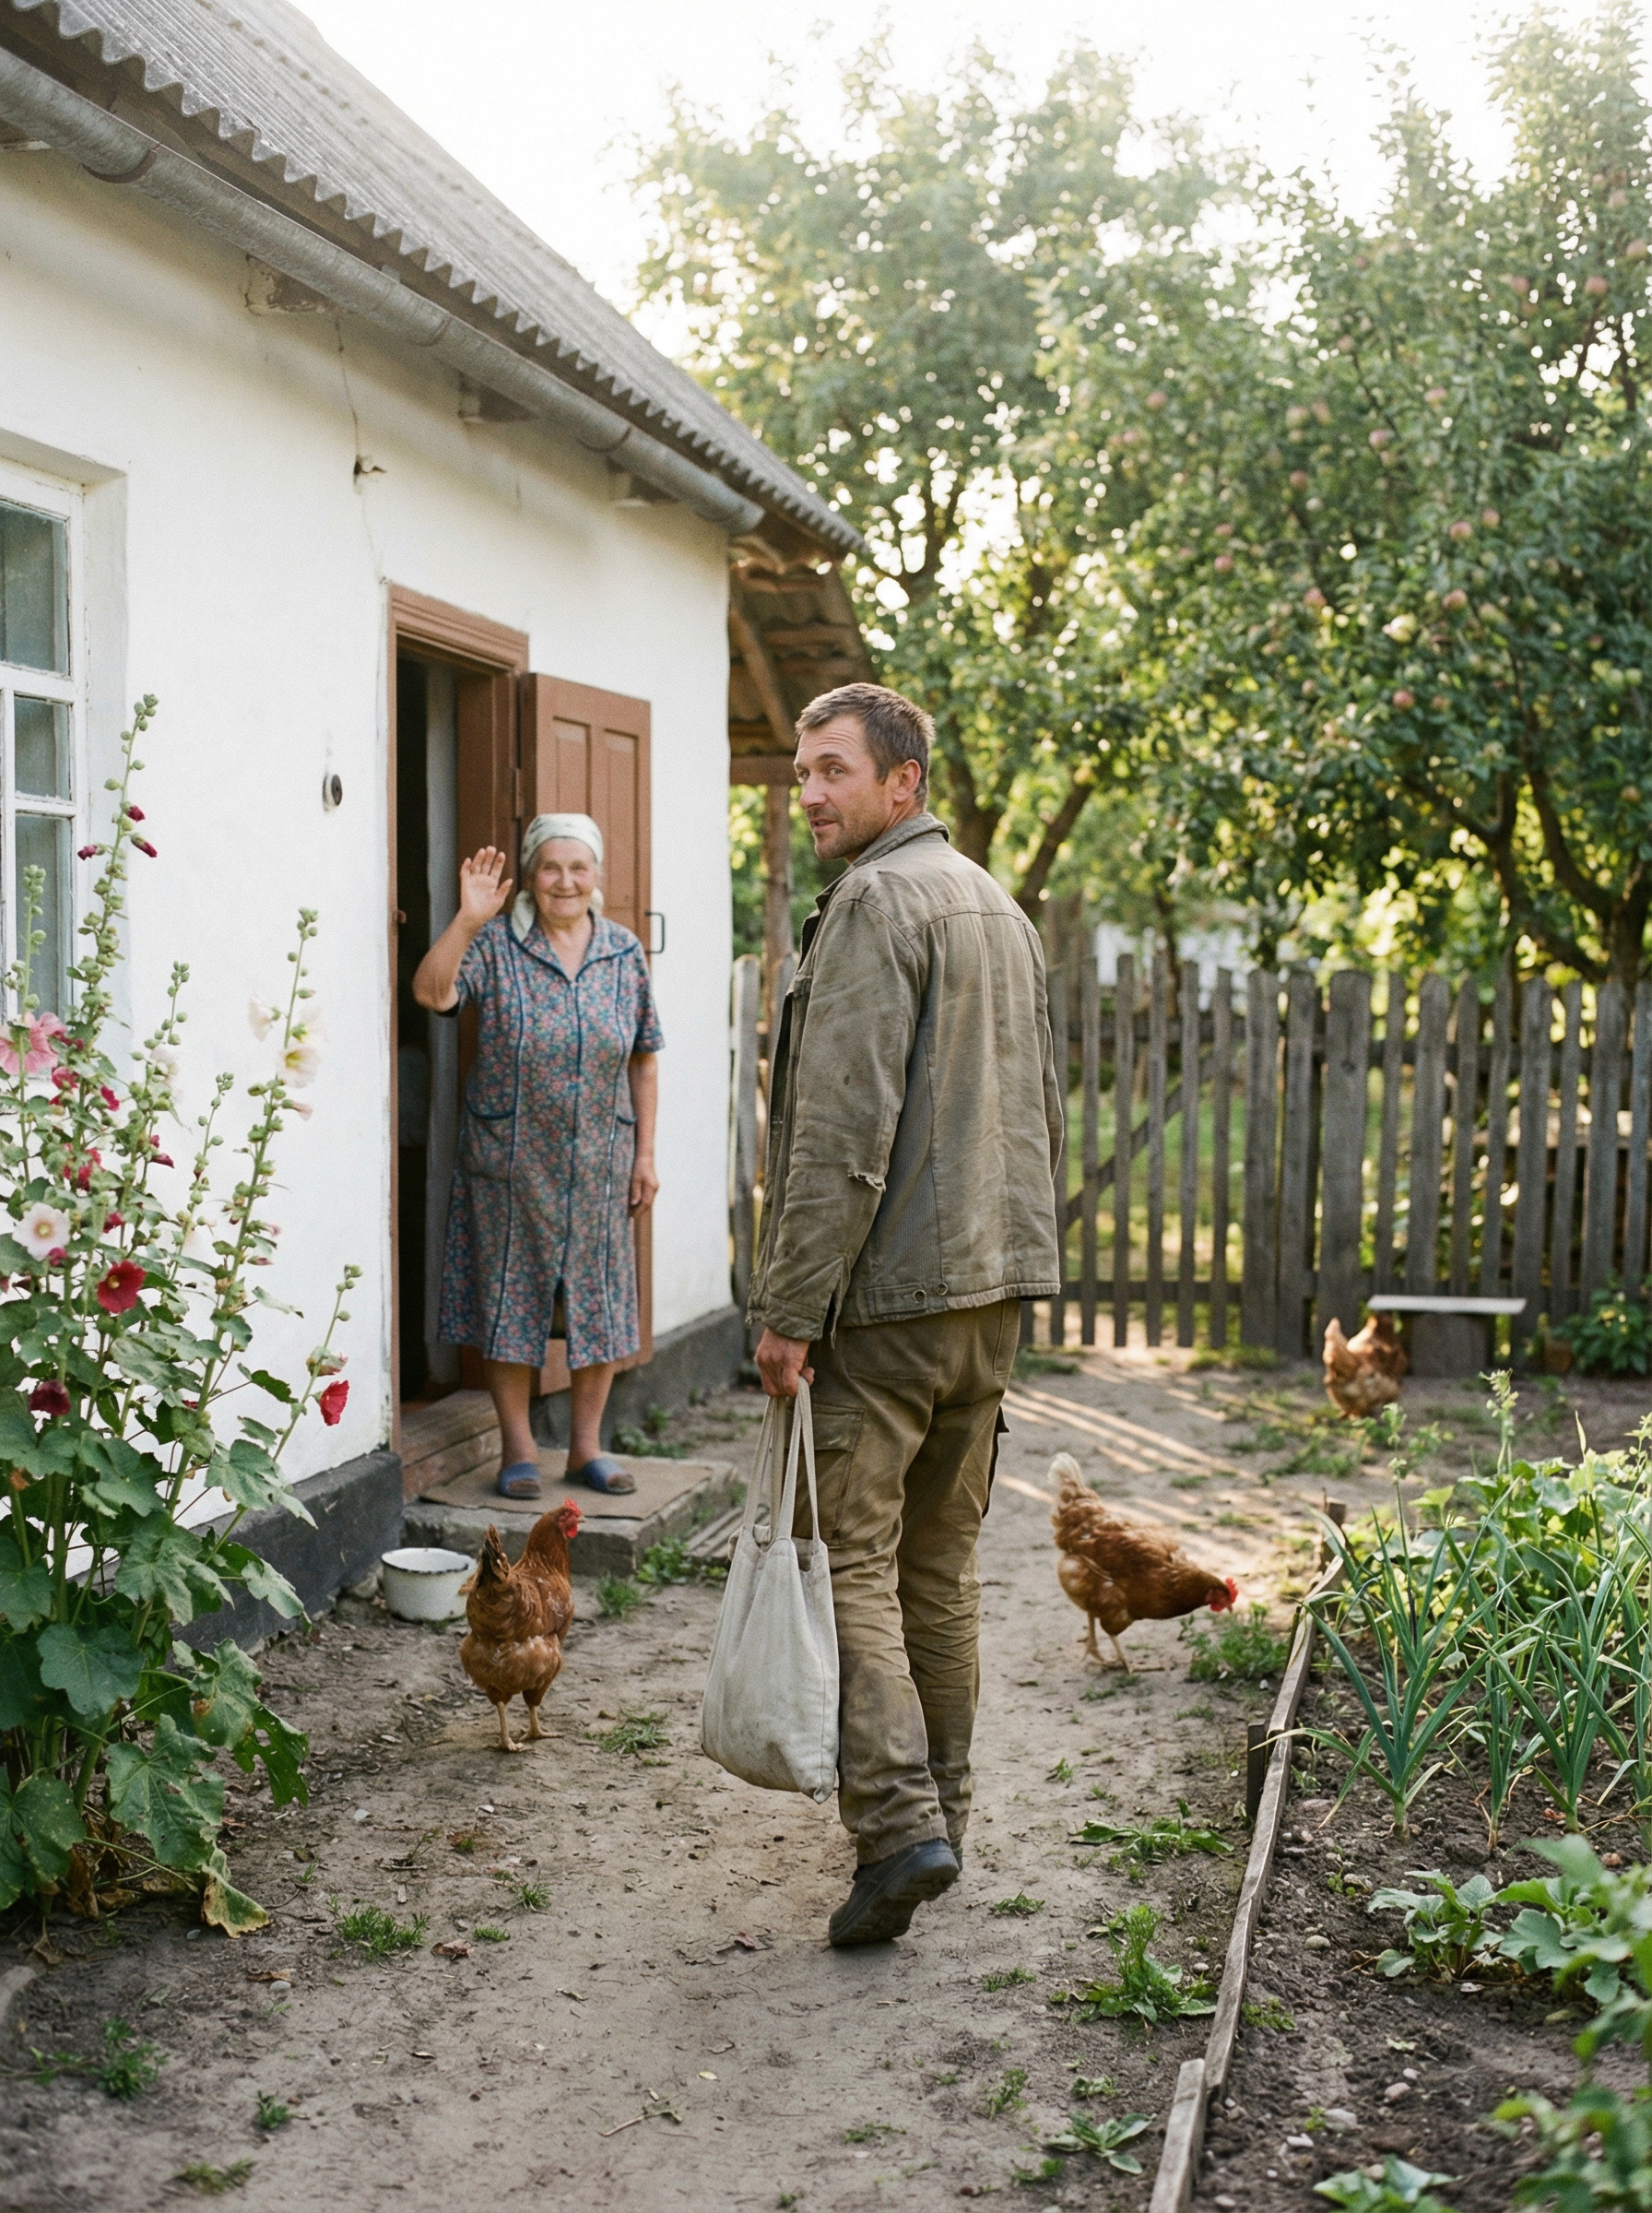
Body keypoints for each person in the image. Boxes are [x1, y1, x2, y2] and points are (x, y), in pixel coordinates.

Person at [748, 682, 1063, 1947]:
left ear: (903, 784)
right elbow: (1037, 1108)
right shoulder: (996, 904)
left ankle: (897, 1829)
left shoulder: (879, 903)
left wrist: (789, 1309)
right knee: (941, 1572)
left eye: (831, 771)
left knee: (861, 1564)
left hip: (885, 1303)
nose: (809, 795)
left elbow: (839, 1137)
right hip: (991, 1295)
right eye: (802, 775)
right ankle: (950, 1819)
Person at [412, 812, 662, 1498]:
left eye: (579, 867)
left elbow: (644, 1058)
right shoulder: (496, 945)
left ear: (597, 876)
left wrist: (645, 1154)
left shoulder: (623, 951)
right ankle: (519, 1448)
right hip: (510, 1160)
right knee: (506, 1300)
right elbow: (432, 993)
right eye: (551, 867)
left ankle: (586, 1448)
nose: (564, 881)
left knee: (602, 1301)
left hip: (602, 1161)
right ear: (530, 873)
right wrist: (467, 918)